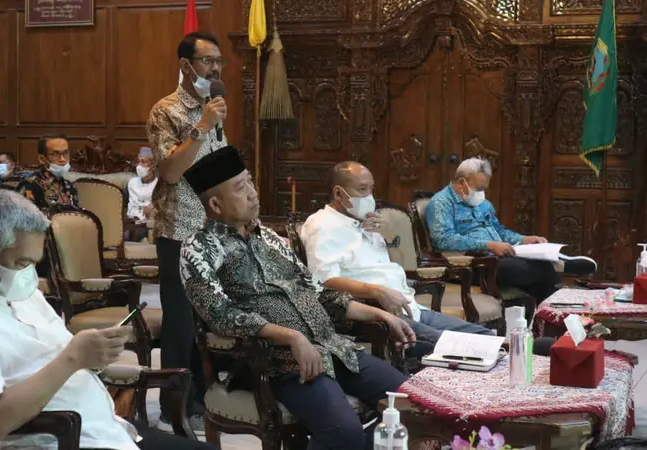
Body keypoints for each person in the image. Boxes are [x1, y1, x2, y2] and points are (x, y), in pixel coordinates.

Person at [0, 190, 214, 450]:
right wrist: (73, 359)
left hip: (107, 431)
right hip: (57, 441)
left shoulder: (18, 290)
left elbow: (60, 355)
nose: (28, 275)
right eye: (22, 263)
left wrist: (95, 355)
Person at [180, 147, 413, 450]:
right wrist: (290, 337)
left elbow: (318, 293)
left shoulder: (272, 239)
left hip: (332, 347)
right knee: (345, 433)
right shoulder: (197, 249)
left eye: (250, 182)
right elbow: (220, 315)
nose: (253, 193)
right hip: (278, 364)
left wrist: (382, 315)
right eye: (240, 188)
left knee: (415, 405)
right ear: (215, 203)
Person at [300, 161, 494, 349]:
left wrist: (378, 235)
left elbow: (393, 268)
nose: (369, 197)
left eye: (371, 189)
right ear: (338, 193)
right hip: (381, 314)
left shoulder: (364, 224)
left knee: (486, 339)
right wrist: (376, 291)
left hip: (411, 308)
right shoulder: (322, 224)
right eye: (362, 189)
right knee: (465, 348)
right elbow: (324, 280)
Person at [146, 31, 228, 431]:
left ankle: (203, 400)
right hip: (178, 230)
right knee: (180, 325)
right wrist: (201, 125)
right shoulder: (167, 110)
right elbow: (170, 171)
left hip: (213, 231)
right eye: (208, 60)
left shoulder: (215, 108)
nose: (215, 68)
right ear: (186, 65)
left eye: (218, 61)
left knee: (208, 320)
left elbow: (216, 167)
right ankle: (172, 411)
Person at [426, 157, 596, 302]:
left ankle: (549, 317)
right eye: (478, 188)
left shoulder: (482, 203)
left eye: (484, 188)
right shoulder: (441, 203)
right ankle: (559, 300)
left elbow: (500, 232)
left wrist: (522, 239)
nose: (481, 193)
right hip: (472, 264)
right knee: (536, 270)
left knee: (538, 271)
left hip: (500, 257)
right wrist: (488, 245)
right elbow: (444, 240)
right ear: (461, 182)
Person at [17, 134, 78, 209]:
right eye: (56, 154)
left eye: (65, 153)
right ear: (42, 159)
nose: (63, 159)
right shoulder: (30, 185)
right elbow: (25, 218)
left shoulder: (69, 185)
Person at [127, 147, 157, 222]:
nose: (139, 165)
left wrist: (153, 206)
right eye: (138, 161)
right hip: (129, 222)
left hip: (146, 224)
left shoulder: (159, 185)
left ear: (152, 165)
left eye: (143, 162)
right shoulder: (132, 182)